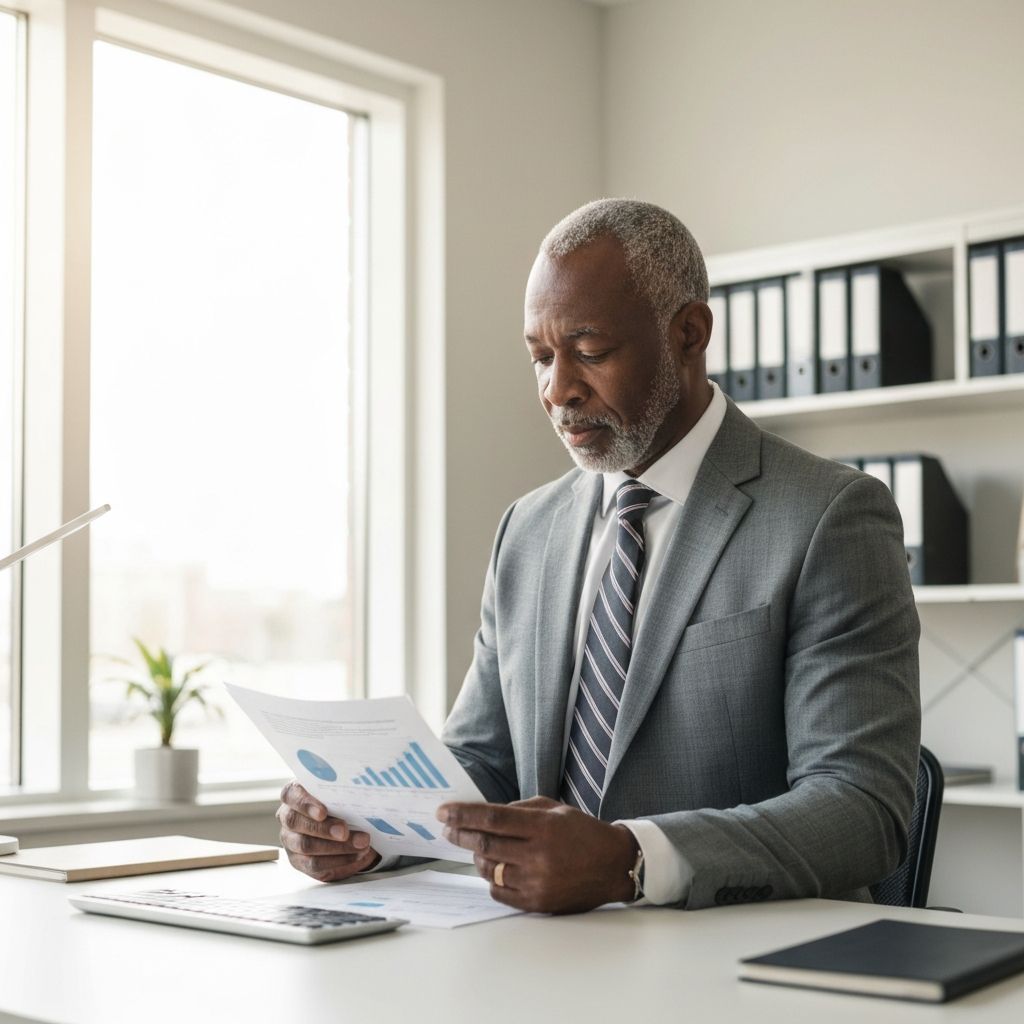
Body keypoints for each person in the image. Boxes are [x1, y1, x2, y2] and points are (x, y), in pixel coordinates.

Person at [277, 199, 921, 914]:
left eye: (589, 352)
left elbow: (861, 809)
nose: (558, 391)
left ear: (689, 334)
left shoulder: (829, 515)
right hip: (543, 956)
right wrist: (363, 828)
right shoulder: (528, 528)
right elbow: (485, 761)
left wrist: (630, 862)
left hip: (739, 960)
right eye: (541, 359)